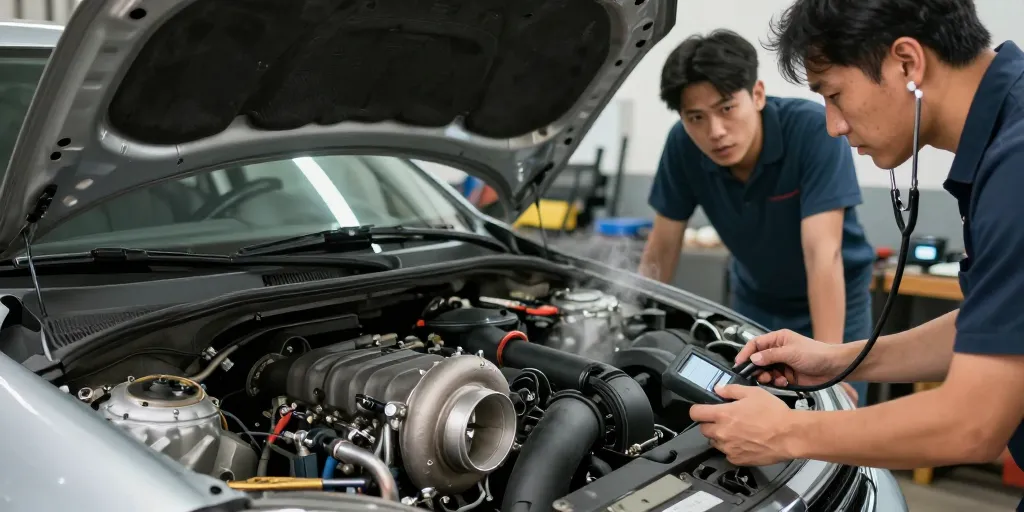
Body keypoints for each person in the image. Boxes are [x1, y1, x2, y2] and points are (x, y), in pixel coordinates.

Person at [689, 1, 1024, 506]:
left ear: (907, 62)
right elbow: (994, 329)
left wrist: (785, 432)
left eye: (834, 94)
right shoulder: (1006, 130)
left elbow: (972, 423)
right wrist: (840, 360)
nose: (834, 125)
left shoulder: (1016, 165)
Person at [637, 29, 874, 404]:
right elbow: (662, 246)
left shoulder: (812, 131)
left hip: (835, 307)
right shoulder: (682, 145)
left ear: (758, 94)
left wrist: (829, 363)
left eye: (726, 108)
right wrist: (638, 323)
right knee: (749, 410)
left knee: (831, 418)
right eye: (696, 117)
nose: (715, 132)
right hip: (754, 303)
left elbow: (822, 254)